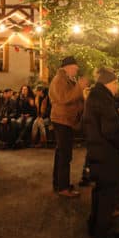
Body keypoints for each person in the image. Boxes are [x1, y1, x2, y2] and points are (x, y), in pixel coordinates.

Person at [83, 68, 119, 238]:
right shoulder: (104, 99)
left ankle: (93, 225)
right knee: (108, 193)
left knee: (99, 191)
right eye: (116, 83)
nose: (117, 87)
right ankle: (102, 231)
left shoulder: (94, 97)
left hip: (96, 150)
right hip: (107, 153)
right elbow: (111, 130)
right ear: (111, 83)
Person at [50, 56, 87, 197]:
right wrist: (80, 87)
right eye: (75, 67)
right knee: (65, 155)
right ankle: (63, 188)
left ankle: (59, 183)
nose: (77, 69)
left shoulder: (67, 79)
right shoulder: (60, 80)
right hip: (62, 121)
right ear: (67, 67)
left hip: (65, 120)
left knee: (61, 154)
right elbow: (64, 98)